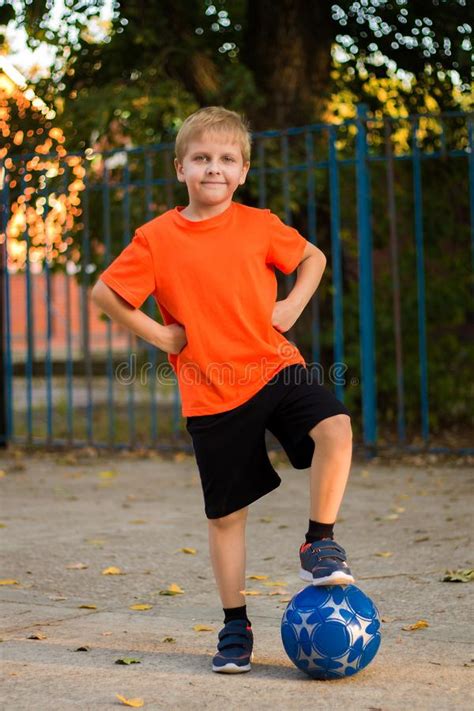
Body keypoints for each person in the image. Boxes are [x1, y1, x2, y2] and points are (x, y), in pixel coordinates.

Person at [91, 106, 354, 675]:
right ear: (180, 167)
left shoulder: (259, 224)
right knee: (226, 517)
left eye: (226, 159)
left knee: (336, 428)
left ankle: (319, 541)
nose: (214, 168)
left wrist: (290, 305)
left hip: (274, 365)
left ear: (242, 171)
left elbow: (313, 257)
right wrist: (161, 332)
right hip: (212, 388)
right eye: (202, 158)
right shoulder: (157, 238)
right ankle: (235, 625)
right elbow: (106, 293)